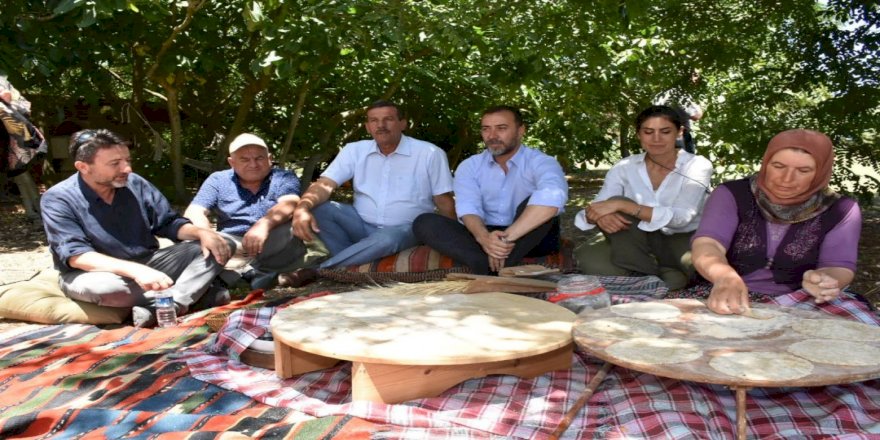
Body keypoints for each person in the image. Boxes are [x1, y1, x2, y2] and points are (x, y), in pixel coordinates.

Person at [40, 129, 234, 327]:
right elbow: (77, 256)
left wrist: (201, 233)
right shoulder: (58, 198)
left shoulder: (135, 183)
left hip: (150, 263)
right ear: (83, 167)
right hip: (95, 274)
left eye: (127, 160)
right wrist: (136, 271)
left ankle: (174, 303)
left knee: (221, 243)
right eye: (115, 163)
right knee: (108, 289)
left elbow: (168, 223)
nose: (127, 169)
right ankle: (195, 293)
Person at [691, 129, 860, 315]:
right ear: (766, 163)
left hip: (803, 298)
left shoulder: (841, 209)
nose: (786, 179)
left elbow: (838, 265)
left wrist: (824, 280)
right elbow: (708, 244)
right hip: (724, 291)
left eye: (803, 171)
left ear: (820, 173)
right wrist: (724, 277)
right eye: (778, 166)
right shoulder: (732, 194)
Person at [292, 100, 455, 268]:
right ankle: (352, 262)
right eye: (374, 120)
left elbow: (443, 200)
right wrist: (302, 208)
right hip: (361, 225)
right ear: (368, 127)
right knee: (322, 209)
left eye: (388, 119)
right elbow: (325, 184)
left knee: (387, 239)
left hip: (405, 230)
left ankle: (322, 270)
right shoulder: (354, 150)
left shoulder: (430, 153)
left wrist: (454, 240)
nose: (381, 125)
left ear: (403, 124)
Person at [413, 105, 568, 275]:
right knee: (425, 222)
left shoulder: (542, 162)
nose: (492, 136)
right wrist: (485, 239)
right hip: (483, 234)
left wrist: (504, 239)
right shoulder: (470, 166)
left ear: (520, 131)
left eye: (501, 128)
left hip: (529, 236)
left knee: (539, 204)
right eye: (486, 129)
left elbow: (552, 199)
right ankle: (489, 264)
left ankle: (489, 266)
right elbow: (468, 208)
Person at [574, 105, 713, 289]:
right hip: (634, 241)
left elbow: (681, 218)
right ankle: (649, 276)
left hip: (683, 238)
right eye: (648, 132)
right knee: (589, 259)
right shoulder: (624, 167)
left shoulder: (697, 165)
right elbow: (596, 208)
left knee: (704, 269)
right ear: (638, 134)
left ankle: (658, 276)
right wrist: (600, 216)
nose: (656, 139)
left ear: (679, 132)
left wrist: (623, 206)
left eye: (665, 132)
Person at [184, 133, 326, 289]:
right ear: (231, 162)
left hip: (273, 239)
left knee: (289, 228)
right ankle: (256, 276)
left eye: (259, 158)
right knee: (190, 238)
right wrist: (207, 235)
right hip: (232, 243)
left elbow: (290, 203)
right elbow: (194, 211)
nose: (253, 164)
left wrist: (264, 225)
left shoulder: (284, 177)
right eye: (244, 159)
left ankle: (238, 276)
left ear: (269, 159)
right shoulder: (218, 180)